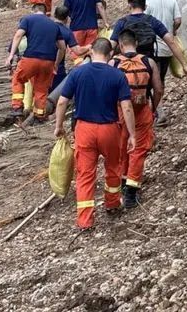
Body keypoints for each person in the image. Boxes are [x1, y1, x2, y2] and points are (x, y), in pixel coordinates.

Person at [54, 38, 136, 230]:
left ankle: (85, 220)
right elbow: (127, 107)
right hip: (109, 128)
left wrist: (59, 126)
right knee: (114, 167)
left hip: (84, 129)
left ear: (91, 53)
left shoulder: (77, 73)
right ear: (110, 55)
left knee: (85, 174)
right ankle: (113, 203)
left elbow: (61, 101)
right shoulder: (117, 75)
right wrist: (132, 134)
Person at [110, 29, 163, 208]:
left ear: (120, 44)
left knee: (122, 147)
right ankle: (131, 193)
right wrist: (153, 108)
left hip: (119, 111)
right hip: (141, 111)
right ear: (136, 43)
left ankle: (123, 182)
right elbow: (159, 89)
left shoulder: (114, 63)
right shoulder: (149, 62)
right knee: (138, 150)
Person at [6, 3, 66, 123]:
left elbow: (18, 35)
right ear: (45, 12)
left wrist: (11, 55)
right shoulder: (54, 25)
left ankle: (17, 107)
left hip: (31, 58)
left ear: (34, 10)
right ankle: (39, 115)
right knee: (41, 89)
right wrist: (56, 63)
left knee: (17, 79)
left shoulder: (28, 19)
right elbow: (62, 47)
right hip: (48, 61)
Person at [109, 0, 187, 78]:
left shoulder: (122, 22)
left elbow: (111, 46)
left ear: (129, 6)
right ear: (145, 7)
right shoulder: (152, 21)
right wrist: (184, 65)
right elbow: (171, 42)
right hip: (147, 65)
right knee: (153, 88)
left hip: (127, 68)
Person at [140, 0, 182, 88]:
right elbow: (178, 20)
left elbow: (141, 22)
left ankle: (151, 103)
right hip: (167, 47)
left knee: (149, 79)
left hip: (150, 47)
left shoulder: (145, 1)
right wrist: (172, 31)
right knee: (161, 78)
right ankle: (159, 104)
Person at [52, 5, 91, 91]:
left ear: (54, 15)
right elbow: (78, 51)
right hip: (57, 68)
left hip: (41, 63)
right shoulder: (67, 32)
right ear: (67, 18)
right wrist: (89, 46)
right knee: (55, 93)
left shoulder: (46, 27)